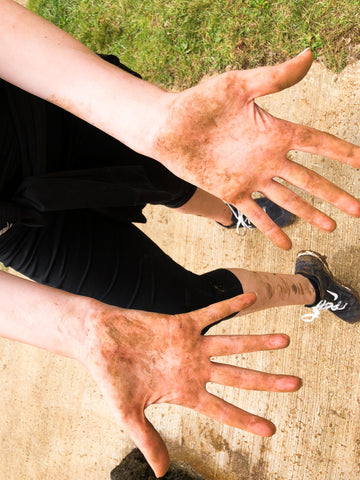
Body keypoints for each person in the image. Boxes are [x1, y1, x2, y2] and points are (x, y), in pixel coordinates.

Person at [0, 0, 359, 477]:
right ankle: (311, 285)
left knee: (170, 159)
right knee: (175, 315)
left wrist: (151, 116)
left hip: (35, 109)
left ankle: (231, 213)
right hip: (14, 230)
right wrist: (78, 328)